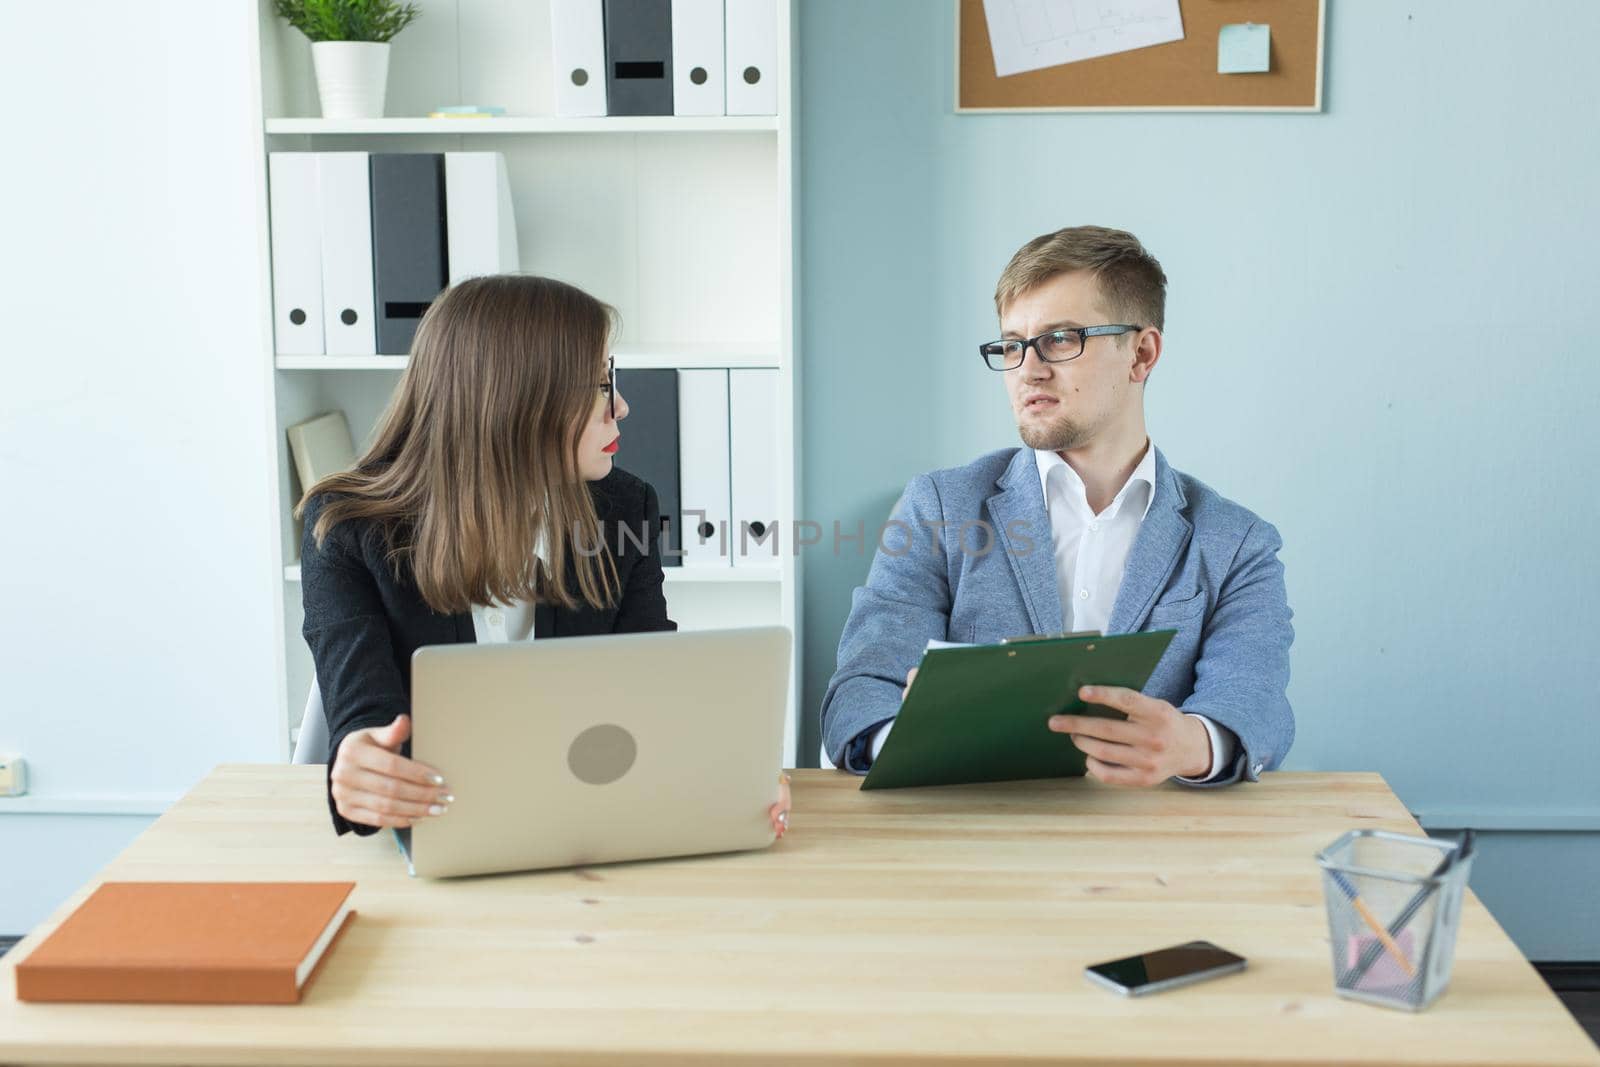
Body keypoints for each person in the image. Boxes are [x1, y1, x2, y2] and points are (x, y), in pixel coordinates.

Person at [298, 275, 792, 836]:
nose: (622, 407)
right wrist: (363, 765)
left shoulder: (623, 506)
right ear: (519, 398)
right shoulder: (345, 527)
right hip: (438, 830)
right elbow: (366, 719)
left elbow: (650, 684)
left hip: (582, 823)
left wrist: (733, 769)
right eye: (600, 385)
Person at [821, 226, 1293, 787]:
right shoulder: (942, 508)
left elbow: (1258, 703)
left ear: (1141, 353)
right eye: (1012, 344)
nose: (1028, 369)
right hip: (974, 842)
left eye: (1061, 339)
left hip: (1156, 848)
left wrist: (1192, 742)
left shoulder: (1236, 542)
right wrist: (912, 738)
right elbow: (857, 693)